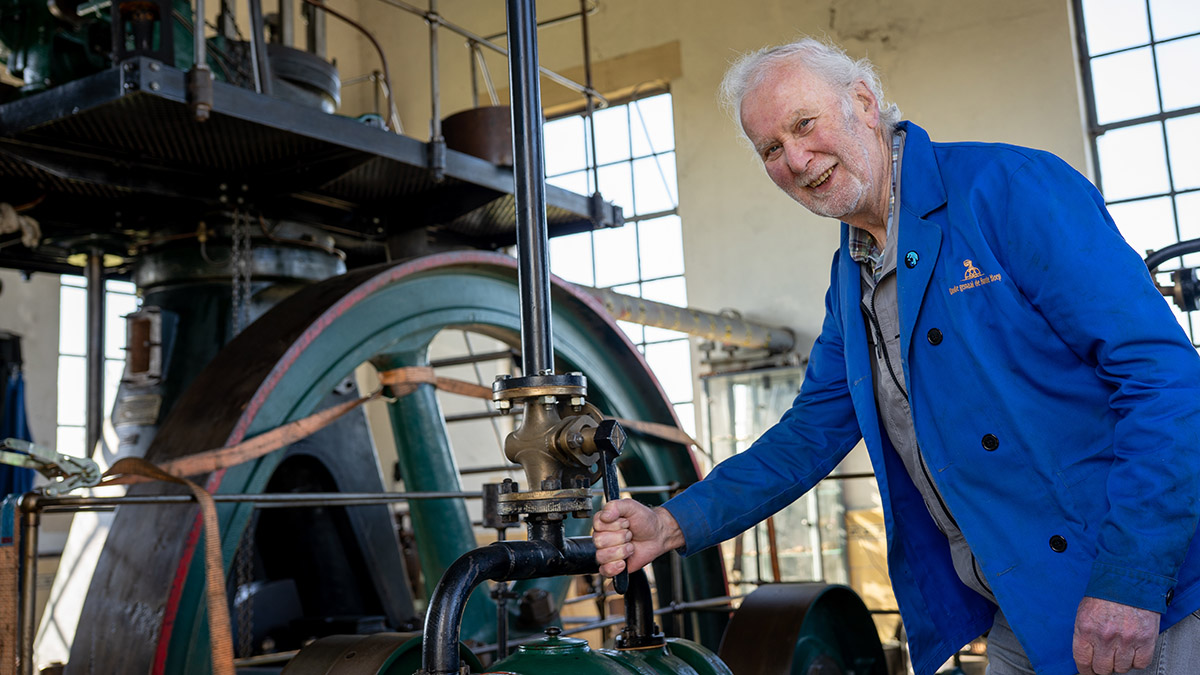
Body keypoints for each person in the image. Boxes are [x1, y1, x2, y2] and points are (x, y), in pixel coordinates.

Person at [592, 38, 1200, 675]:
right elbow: (807, 436)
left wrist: (1131, 580)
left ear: (863, 101)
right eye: (770, 149)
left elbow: (1165, 381)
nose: (796, 159)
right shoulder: (851, 274)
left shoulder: (1009, 190)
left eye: (805, 124)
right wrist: (670, 523)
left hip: (1137, 600)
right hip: (1021, 607)